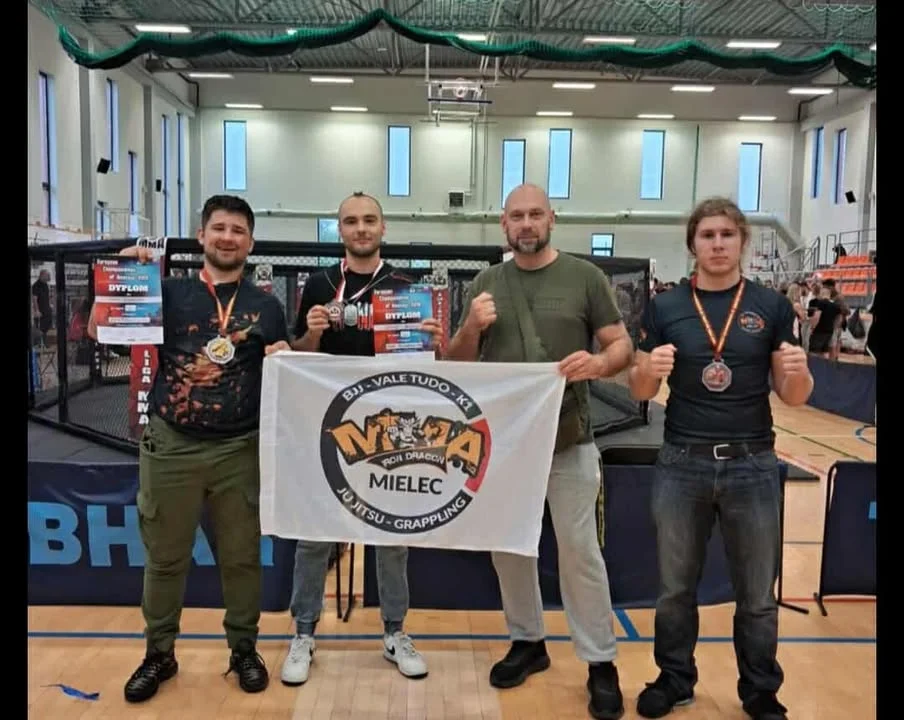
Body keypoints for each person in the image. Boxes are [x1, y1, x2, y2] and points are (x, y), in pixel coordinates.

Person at [87, 194, 292, 703]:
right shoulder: (167, 291)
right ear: (201, 236)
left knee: (242, 559)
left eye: (238, 230)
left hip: (238, 449)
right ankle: (159, 653)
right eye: (218, 228)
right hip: (172, 445)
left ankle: (243, 650)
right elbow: (98, 332)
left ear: (250, 242)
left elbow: (282, 370)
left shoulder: (266, 307)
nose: (227, 237)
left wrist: (285, 353)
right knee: (165, 558)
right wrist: (119, 278)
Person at [445, 183, 634, 720]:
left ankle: (600, 660)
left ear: (552, 219)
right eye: (516, 216)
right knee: (509, 548)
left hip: (569, 438)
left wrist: (599, 364)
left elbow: (621, 345)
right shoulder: (485, 283)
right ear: (503, 225)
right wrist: (470, 326)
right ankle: (527, 640)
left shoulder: (585, 277)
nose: (526, 224)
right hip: (504, 444)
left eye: (535, 214)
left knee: (580, 552)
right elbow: (457, 363)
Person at [626, 197, 813, 720]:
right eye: (707, 235)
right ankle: (674, 679)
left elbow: (794, 396)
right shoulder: (664, 307)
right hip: (681, 462)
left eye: (726, 235)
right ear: (692, 244)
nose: (717, 244)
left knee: (757, 594)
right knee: (674, 590)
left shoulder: (771, 306)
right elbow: (640, 388)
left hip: (752, 465)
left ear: (742, 242)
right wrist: (648, 369)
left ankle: (760, 690)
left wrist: (799, 371)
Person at [281, 191, 443, 686]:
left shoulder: (405, 285)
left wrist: (430, 341)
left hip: (386, 424)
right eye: (351, 221)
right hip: (329, 421)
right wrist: (311, 332)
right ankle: (303, 632)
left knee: (391, 536)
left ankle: (395, 631)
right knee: (315, 532)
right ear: (341, 230)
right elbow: (300, 353)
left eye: (369, 220)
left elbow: (421, 366)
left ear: (383, 227)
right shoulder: (318, 284)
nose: (361, 228)